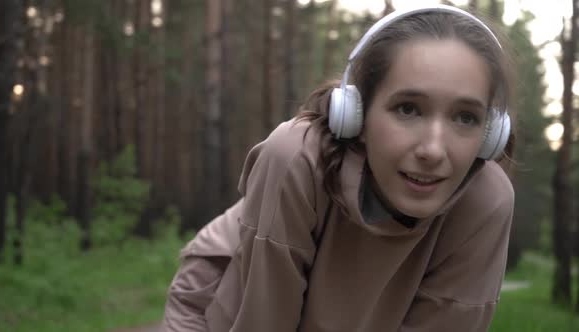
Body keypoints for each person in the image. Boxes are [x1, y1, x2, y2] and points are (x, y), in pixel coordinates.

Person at [163, 4, 516, 332]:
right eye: (408, 109)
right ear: (356, 116)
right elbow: (264, 318)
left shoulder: (486, 202)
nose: (433, 150)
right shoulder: (294, 160)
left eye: (465, 117)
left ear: (490, 135)